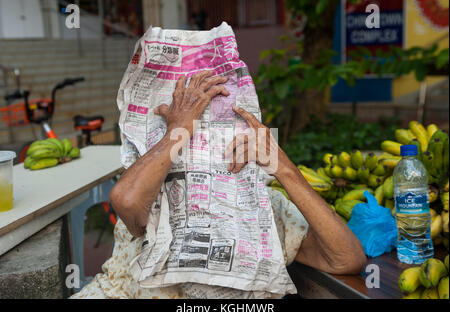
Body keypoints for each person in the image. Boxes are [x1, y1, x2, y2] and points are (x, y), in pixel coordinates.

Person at [71, 71, 366, 299]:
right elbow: (125, 200)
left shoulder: (268, 210)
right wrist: (177, 131)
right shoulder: (155, 192)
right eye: (194, 129)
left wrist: (284, 169)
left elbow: (346, 258)